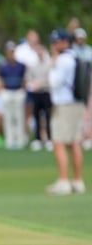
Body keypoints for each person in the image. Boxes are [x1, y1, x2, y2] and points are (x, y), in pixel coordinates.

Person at [46, 28, 85, 195]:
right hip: (76, 104)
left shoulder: (62, 60)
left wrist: (53, 63)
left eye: (56, 42)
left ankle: (63, 181)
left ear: (64, 42)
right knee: (74, 142)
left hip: (64, 105)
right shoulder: (75, 57)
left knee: (59, 142)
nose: (53, 45)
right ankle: (77, 181)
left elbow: (54, 82)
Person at [0, 41, 28, 149]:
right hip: (7, 92)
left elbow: (24, 80)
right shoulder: (3, 66)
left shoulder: (21, 65)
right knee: (8, 118)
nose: (11, 53)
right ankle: (9, 141)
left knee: (19, 116)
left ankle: (19, 140)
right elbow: (0, 81)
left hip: (18, 92)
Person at [25, 43, 53, 151]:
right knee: (36, 116)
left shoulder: (48, 64)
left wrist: (40, 83)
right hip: (36, 93)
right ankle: (38, 139)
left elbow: (50, 79)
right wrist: (33, 84)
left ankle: (49, 139)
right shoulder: (33, 65)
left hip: (46, 92)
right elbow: (28, 78)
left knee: (48, 116)